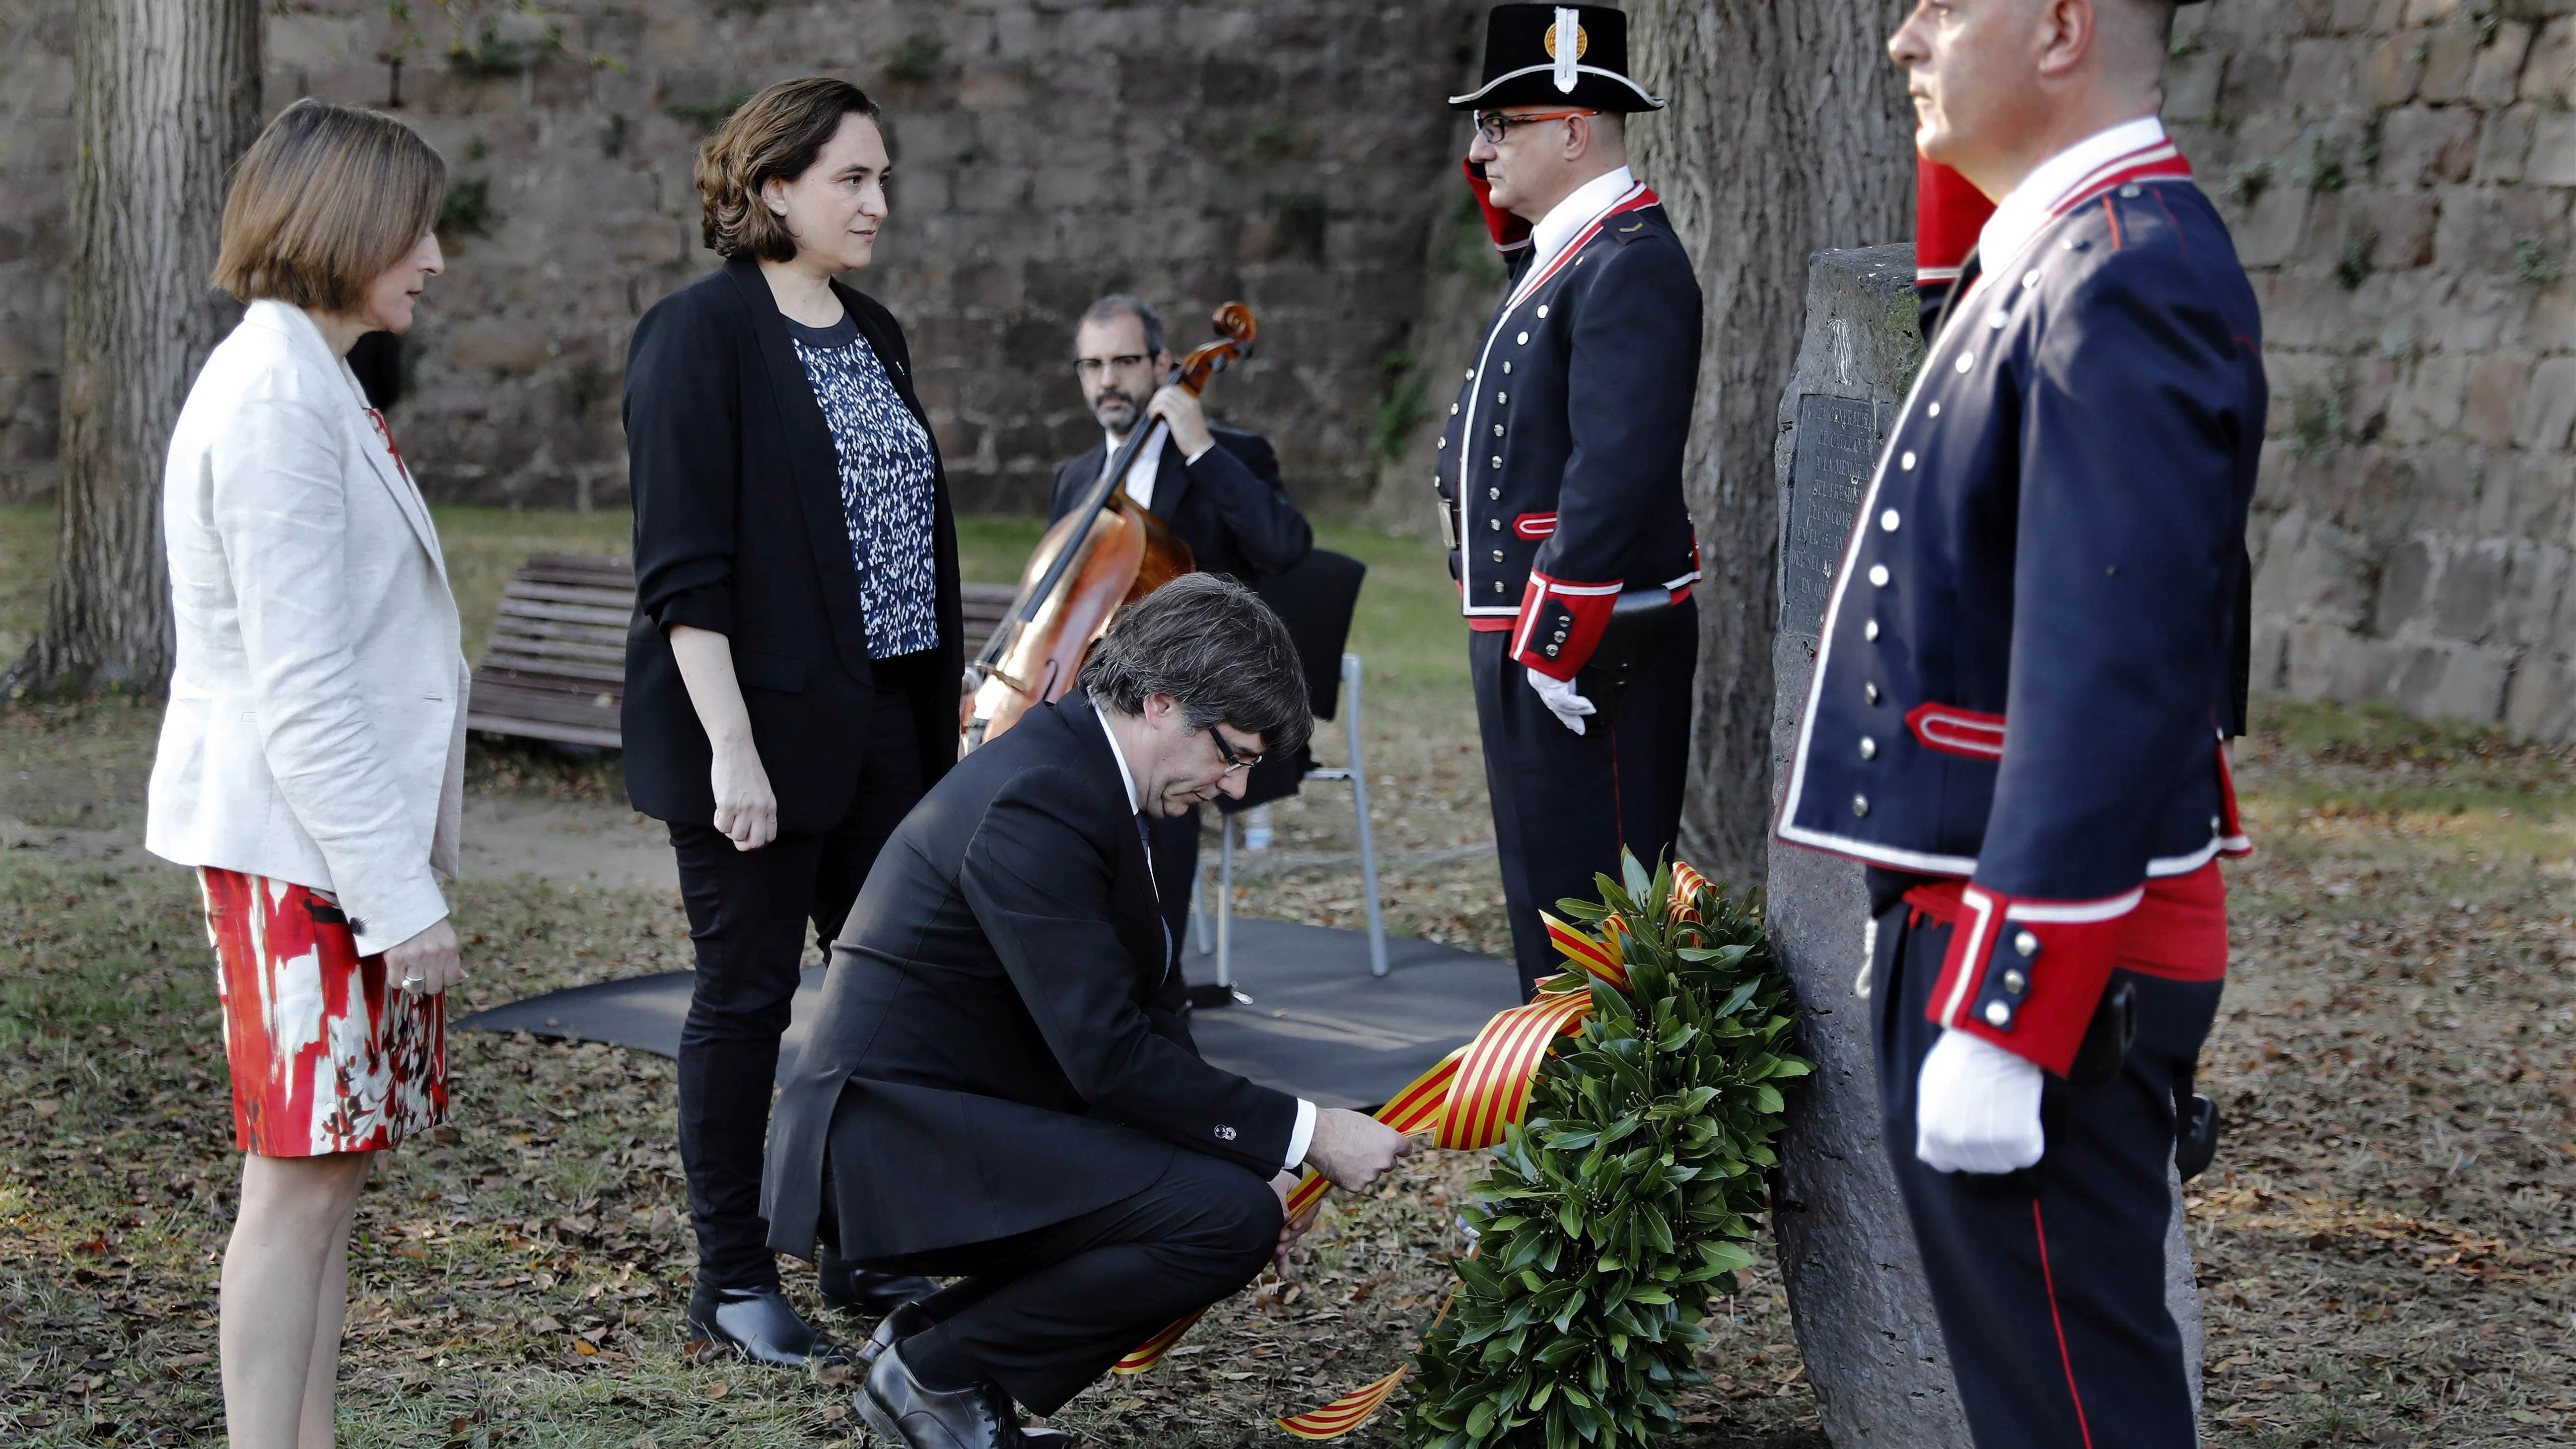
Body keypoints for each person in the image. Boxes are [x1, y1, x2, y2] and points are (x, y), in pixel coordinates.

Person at [1774, 1, 2255, 1445]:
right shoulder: (2059, 252)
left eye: (1941, 6)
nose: (1901, 41)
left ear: (2058, 27)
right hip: (1985, 915)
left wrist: (2008, 1001)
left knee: (2072, 1413)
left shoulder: (2124, 272)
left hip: (2043, 951)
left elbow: (2115, 663)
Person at [762, 574, 1418, 1449]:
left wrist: (1247, 1150)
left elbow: (1144, 1011)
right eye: (1232, 753)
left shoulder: (1085, 772)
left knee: (1225, 1196)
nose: (1231, 787)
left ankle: (931, 1350)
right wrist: (1308, 1136)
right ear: (1159, 702)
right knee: (1224, 1218)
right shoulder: (1043, 793)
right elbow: (1109, 1054)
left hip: (958, 1108)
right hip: (889, 1137)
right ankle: (939, 1372)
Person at [622, 75, 965, 1364]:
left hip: (886, 719)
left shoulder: (873, 330)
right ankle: (727, 1271)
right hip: (748, 734)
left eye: (883, 177)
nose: (880, 201)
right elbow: (683, 568)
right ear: (774, 187)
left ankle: (854, 1238)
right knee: (747, 996)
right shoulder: (694, 335)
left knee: (890, 993)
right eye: (853, 180)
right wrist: (730, 748)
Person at [147, 98, 460, 1449]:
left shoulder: (315, 376)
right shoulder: (275, 394)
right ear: (338, 223)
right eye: (415, 224)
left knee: (328, 1178)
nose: (437, 256)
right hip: (303, 855)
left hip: (328, 850)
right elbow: (302, 690)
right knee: (293, 1186)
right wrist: (402, 897)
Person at [1434, 4, 1704, 999]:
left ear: (1571, 128)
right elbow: (1502, 219)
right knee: (1544, 897)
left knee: (1592, 907)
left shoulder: (1626, 260)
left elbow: (1618, 466)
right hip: (1534, 626)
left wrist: (1552, 638)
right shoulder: (1569, 247)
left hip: (1588, 639)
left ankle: (1614, 1140)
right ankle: (1562, 1119)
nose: (1478, 147)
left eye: (1498, 126)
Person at [1049, 295, 1313, 981]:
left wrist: (1199, 446)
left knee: (1159, 751)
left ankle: (1154, 991)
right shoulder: (1075, 479)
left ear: (1164, 365)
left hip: (1204, 703)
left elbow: (1285, 547)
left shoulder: (1232, 455)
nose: (1108, 380)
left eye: (1126, 362)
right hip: (1096, 693)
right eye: (1093, 364)